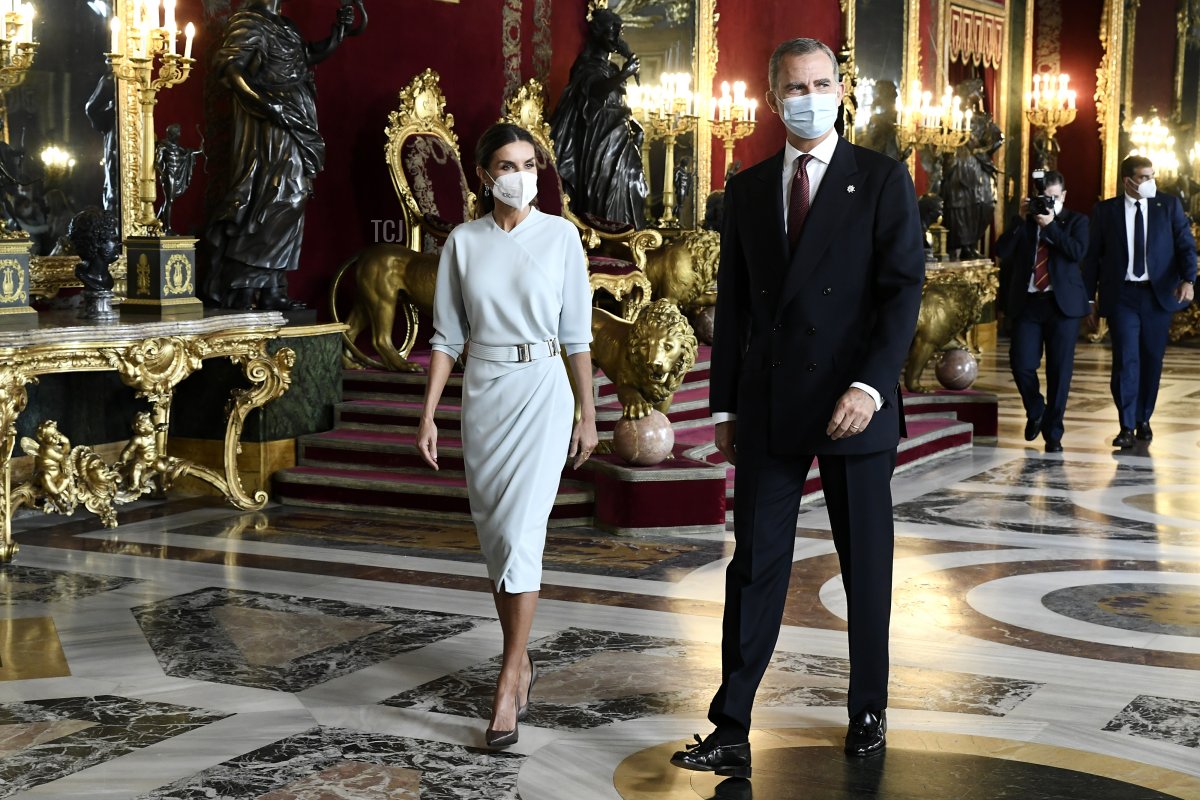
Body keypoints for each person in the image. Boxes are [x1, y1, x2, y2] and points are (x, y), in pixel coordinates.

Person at [670, 38, 924, 778]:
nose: (808, 95)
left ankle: (868, 708)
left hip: (855, 404)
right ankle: (730, 723)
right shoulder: (747, 190)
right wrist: (721, 407)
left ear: (839, 88)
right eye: (794, 86)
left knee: (865, 564)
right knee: (754, 566)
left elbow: (902, 292)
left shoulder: (880, 180)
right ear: (772, 95)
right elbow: (737, 309)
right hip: (770, 405)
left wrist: (871, 387)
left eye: (821, 83)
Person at [416, 123, 599, 749]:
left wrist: (589, 412)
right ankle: (519, 657)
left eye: (528, 163)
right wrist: (428, 413)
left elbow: (578, 335)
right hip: (484, 394)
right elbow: (446, 337)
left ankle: (506, 678)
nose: (518, 174)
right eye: (504, 163)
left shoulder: (562, 237)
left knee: (523, 533)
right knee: (498, 541)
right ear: (483, 174)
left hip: (543, 391)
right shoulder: (463, 243)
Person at [202, 0, 356, 311]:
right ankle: (243, 285)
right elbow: (232, 71)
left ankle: (271, 287)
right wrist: (266, 104)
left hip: (297, 119)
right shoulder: (248, 22)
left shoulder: (286, 26)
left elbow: (308, 56)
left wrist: (338, 31)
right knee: (276, 197)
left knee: (293, 199)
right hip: (271, 127)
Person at [1083, 155, 1196, 448]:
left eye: (1152, 176)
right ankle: (1126, 424)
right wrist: (1088, 299)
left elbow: (1185, 244)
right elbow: (1092, 257)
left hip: (1158, 295)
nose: (1150, 182)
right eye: (1144, 177)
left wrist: (1189, 280)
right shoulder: (1105, 211)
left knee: (1151, 358)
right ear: (1128, 181)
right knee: (1125, 359)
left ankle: (1144, 416)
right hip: (1122, 296)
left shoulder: (1168, 205)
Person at [994, 170, 1089, 452]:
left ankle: (1054, 432)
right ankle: (1036, 408)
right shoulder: (1024, 222)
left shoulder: (1076, 221)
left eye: (1053, 198)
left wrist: (1050, 226)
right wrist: (1021, 220)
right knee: (1021, 363)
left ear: (1063, 196)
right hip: (1028, 304)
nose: (1047, 202)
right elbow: (1002, 250)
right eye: (1043, 198)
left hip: (1063, 306)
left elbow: (1076, 252)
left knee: (1060, 371)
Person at [549, 7, 647, 228]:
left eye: (619, 32)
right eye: (612, 31)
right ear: (598, 33)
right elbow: (593, 94)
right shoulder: (586, 65)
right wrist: (624, 74)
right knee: (605, 186)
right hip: (599, 138)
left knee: (630, 181)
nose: (616, 38)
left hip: (621, 135)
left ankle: (626, 232)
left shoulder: (611, 67)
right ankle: (605, 233)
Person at [155, 124, 204, 234]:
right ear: (172, 134)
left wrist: (199, 151)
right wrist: (163, 173)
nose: (180, 135)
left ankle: (157, 222)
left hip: (175, 175)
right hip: (168, 174)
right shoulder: (163, 145)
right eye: (178, 132)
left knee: (169, 201)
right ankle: (167, 228)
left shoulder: (176, 146)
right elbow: (157, 163)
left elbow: (187, 153)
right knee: (169, 201)